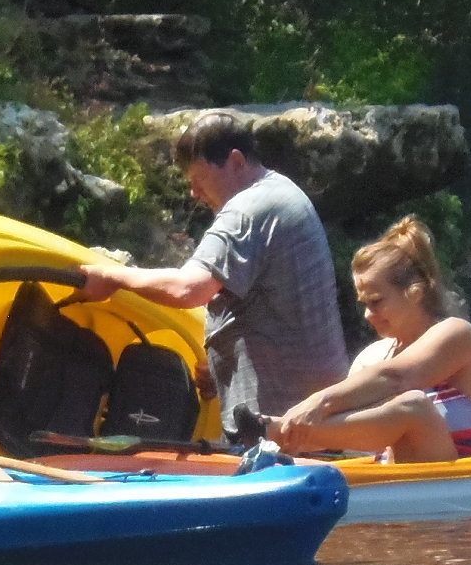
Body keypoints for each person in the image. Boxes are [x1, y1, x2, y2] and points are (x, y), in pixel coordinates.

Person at [75, 113, 347, 430]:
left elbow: (189, 289)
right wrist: (223, 371)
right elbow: (277, 308)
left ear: (235, 161)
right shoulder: (282, 194)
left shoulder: (249, 209)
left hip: (281, 428)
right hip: (308, 414)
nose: (194, 193)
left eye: (200, 180)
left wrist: (112, 278)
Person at [267, 218, 471, 464]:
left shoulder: (457, 334)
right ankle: (267, 438)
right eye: (364, 304)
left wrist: (318, 401)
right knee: (285, 460)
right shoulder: (371, 358)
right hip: (391, 481)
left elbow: (397, 379)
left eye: (376, 302)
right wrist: (290, 440)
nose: (368, 315)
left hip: (452, 485)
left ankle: (272, 430)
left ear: (415, 293)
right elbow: (343, 434)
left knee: (414, 406)